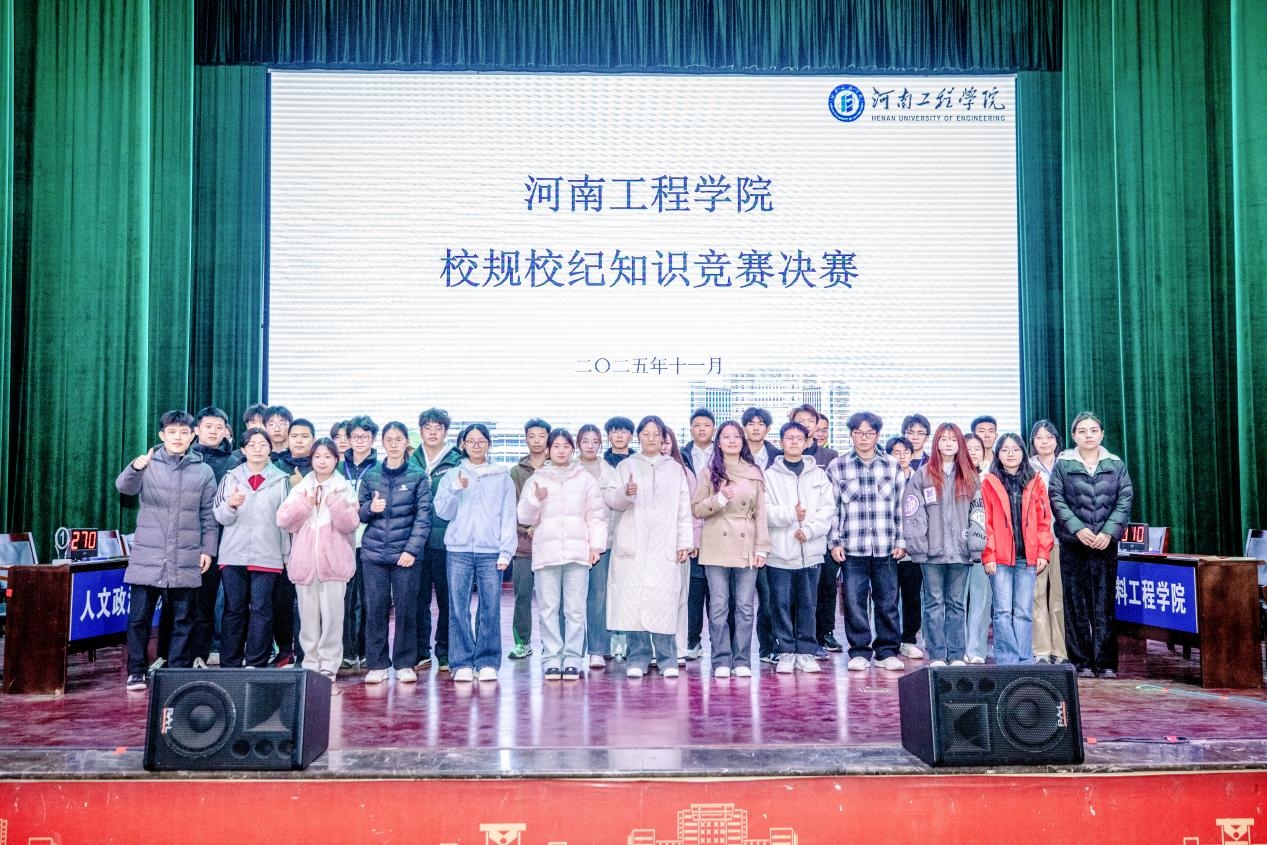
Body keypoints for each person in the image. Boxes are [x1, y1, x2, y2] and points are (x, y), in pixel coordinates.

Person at [115, 411, 218, 691]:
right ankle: (137, 670)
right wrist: (135, 467)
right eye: (172, 432)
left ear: (192, 435)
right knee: (139, 617)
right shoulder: (147, 463)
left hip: (186, 554)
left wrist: (208, 549)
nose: (178, 437)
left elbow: (208, 515)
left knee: (184, 618)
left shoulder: (204, 471)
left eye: (184, 432)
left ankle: (177, 670)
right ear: (162, 435)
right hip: (148, 555)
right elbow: (124, 488)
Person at [608, 415, 694, 679]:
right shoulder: (626, 466)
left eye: (657, 434)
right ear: (639, 437)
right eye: (646, 434)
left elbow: (683, 508)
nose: (651, 439)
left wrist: (684, 541)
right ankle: (638, 657)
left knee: (664, 603)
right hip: (632, 547)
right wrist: (626, 493)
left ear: (663, 438)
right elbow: (611, 500)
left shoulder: (674, 468)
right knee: (633, 603)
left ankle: (668, 659)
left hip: (664, 545)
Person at [1048, 412, 1133, 679]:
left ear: (1102, 434)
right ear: (1074, 436)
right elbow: (1056, 498)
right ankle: (1081, 662)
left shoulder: (1115, 464)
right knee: (1075, 605)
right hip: (1074, 543)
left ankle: (1105, 663)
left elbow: (1124, 499)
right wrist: (1079, 529)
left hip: (1105, 544)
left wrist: (1108, 533)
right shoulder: (1063, 464)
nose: (1088, 435)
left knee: (1104, 604)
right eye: (1082, 431)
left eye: (1093, 430)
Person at [517, 429, 607, 681]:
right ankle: (551, 658)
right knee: (548, 609)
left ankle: (573, 659)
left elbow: (596, 516)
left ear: (572, 450)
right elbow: (524, 517)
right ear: (548, 450)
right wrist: (535, 500)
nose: (561, 451)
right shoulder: (537, 479)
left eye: (565, 446)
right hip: (546, 554)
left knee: (575, 610)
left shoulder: (585, 479)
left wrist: (595, 547)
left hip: (578, 554)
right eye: (556, 446)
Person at [433, 423, 520, 683]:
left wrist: (506, 551)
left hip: (490, 550)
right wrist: (454, 489)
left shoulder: (502, 476)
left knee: (490, 607)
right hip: (458, 549)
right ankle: (461, 662)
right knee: (458, 607)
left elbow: (508, 515)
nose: (476, 445)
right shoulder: (453, 474)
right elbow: (443, 513)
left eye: (481, 441)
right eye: (471, 441)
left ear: (489, 444)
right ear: (463, 444)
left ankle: (487, 661)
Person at [826, 412, 908, 671]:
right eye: (858, 433)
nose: (864, 438)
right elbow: (832, 509)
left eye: (869, 433)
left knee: (888, 602)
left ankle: (886, 652)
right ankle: (859, 651)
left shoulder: (892, 466)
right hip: (852, 547)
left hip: (886, 546)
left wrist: (901, 540)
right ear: (851, 435)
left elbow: (900, 507)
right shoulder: (837, 466)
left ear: (877, 435)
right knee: (854, 602)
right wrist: (834, 542)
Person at [901, 422, 985, 667]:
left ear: (960, 444)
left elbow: (978, 513)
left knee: (957, 604)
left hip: (961, 552)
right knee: (933, 603)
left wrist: (975, 544)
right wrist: (919, 546)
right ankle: (937, 655)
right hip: (931, 553)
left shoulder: (969, 476)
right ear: (936, 443)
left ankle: (957, 655)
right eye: (944, 439)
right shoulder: (923, 475)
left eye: (953, 439)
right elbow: (913, 513)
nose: (948, 444)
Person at [276, 438, 360, 679]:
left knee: (333, 618)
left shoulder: (344, 488)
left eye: (327, 457)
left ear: (336, 459)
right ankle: (311, 663)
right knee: (308, 618)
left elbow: (350, 524)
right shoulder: (301, 488)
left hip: (334, 564)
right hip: (305, 564)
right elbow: (283, 521)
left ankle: (329, 664)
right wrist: (304, 504)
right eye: (317, 457)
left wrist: (335, 503)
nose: (322, 461)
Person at [692, 420, 770, 679]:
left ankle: (742, 659)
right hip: (716, 544)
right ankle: (721, 660)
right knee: (718, 606)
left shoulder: (754, 472)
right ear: (718, 442)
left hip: (747, 544)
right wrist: (720, 498)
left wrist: (762, 548)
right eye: (726, 437)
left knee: (745, 607)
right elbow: (697, 509)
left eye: (736, 436)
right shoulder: (708, 472)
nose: (732, 441)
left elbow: (761, 514)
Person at [357, 421, 432, 684]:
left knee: (406, 609)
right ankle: (377, 664)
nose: (393, 444)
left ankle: (404, 663)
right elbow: (359, 513)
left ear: (406, 443)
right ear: (382, 443)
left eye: (398, 439)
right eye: (389, 439)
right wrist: (370, 508)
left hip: (406, 555)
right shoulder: (370, 476)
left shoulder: (418, 476)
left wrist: (412, 550)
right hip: (374, 554)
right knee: (375, 608)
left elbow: (424, 517)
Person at [213, 427, 291, 669]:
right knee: (234, 610)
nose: (258, 449)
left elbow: (286, 522)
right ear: (243, 450)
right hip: (233, 555)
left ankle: (256, 662)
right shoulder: (230, 477)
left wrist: (287, 555)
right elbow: (220, 517)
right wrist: (230, 505)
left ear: (270, 449)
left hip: (269, 555)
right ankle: (230, 663)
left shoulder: (282, 480)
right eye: (252, 445)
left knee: (262, 609)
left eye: (263, 444)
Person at [765, 421, 834, 674]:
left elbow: (827, 510)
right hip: (779, 553)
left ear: (807, 442)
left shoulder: (818, 475)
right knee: (780, 605)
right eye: (789, 437)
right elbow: (764, 511)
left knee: (808, 605)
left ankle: (806, 651)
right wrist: (790, 515)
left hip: (810, 552)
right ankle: (785, 651)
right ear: (780, 442)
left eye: (799, 438)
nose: (794, 442)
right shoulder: (769, 476)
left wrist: (809, 530)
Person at [981, 433, 1053, 665]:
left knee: (1023, 611)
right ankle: (1007, 661)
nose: (1010, 454)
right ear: (997, 454)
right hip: (1000, 558)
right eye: (1005, 450)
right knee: (1002, 612)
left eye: (1015, 449)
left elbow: (1044, 520)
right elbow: (985, 523)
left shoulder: (1035, 481)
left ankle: (1024, 661)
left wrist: (1042, 552)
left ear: (1023, 452)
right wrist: (989, 555)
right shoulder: (989, 482)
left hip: (1027, 557)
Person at [409, 407, 464, 673]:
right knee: (418, 600)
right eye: (428, 427)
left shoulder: (457, 461)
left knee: (447, 599)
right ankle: (421, 652)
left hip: (447, 542)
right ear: (420, 431)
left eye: (438, 428)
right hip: (415, 542)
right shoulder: (411, 460)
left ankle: (445, 651)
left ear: (445, 431)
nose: (433, 432)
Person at [189, 406, 241, 669]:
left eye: (219, 427)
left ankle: (205, 652)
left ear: (226, 431)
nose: (213, 431)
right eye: (208, 426)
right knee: (182, 603)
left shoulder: (234, 464)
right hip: (185, 540)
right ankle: (176, 656)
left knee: (212, 601)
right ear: (196, 429)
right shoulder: (184, 458)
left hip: (221, 542)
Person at [271, 417, 316, 666]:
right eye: (295, 436)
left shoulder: (320, 466)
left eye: (304, 436)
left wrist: (302, 487)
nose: (299, 441)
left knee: (308, 603)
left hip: (311, 544)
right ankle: (285, 650)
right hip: (280, 544)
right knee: (282, 601)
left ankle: (306, 652)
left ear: (313, 439)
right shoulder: (275, 466)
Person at [576, 424, 619, 668]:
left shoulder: (610, 472)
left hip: (603, 543)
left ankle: (598, 649)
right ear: (578, 444)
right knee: (572, 598)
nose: (590, 446)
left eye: (595, 441)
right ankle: (573, 650)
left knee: (598, 597)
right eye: (585, 441)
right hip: (573, 542)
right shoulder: (569, 469)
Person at [509, 418, 551, 660]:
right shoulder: (515, 472)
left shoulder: (558, 468)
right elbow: (513, 508)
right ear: (525, 439)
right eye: (532, 436)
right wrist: (527, 529)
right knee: (522, 597)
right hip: (524, 546)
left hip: (552, 546)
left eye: (541, 436)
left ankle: (552, 645)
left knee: (552, 600)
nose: (537, 441)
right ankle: (522, 642)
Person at [340, 415, 379, 671]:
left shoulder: (380, 468)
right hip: (341, 541)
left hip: (370, 541)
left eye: (365, 436)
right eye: (355, 436)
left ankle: (365, 651)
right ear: (348, 439)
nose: (360, 441)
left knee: (368, 600)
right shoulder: (337, 468)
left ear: (373, 439)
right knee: (343, 600)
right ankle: (346, 652)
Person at [1028, 419, 1068, 664]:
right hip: (1036, 541)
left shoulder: (1067, 464)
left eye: (1049, 437)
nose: (1044, 442)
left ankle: (1060, 651)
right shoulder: (1026, 468)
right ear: (1032, 442)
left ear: (1057, 440)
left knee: (1060, 597)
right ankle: (1041, 650)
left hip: (1064, 539)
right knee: (1037, 595)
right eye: (1039, 437)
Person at [662, 426, 703, 666]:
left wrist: (693, 540)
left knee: (679, 597)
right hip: (652, 547)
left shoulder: (685, 473)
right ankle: (657, 648)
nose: (662, 446)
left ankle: (679, 647)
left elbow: (694, 511)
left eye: (666, 442)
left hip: (680, 545)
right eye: (658, 441)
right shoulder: (640, 471)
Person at [681, 408, 716, 661]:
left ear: (713, 428)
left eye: (707, 425)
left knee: (719, 595)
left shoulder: (724, 454)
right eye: (697, 425)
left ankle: (719, 643)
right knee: (693, 592)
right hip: (691, 534)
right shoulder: (681, 457)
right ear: (691, 429)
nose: (702, 429)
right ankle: (692, 641)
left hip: (719, 534)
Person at [886, 435, 924, 660]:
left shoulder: (920, 479)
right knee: (887, 598)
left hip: (912, 550)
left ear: (912, 455)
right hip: (887, 549)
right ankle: (888, 641)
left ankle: (908, 640)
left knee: (912, 598)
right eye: (896, 452)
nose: (901, 457)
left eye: (905, 452)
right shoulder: (883, 477)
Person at [962, 431, 993, 664]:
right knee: (956, 602)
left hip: (984, 548)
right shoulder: (951, 477)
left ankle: (976, 650)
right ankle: (958, 648)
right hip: (955, 550)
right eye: (968, 448)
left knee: (981, 601)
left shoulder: (992, 479)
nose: (972, 453)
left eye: (977, 449)